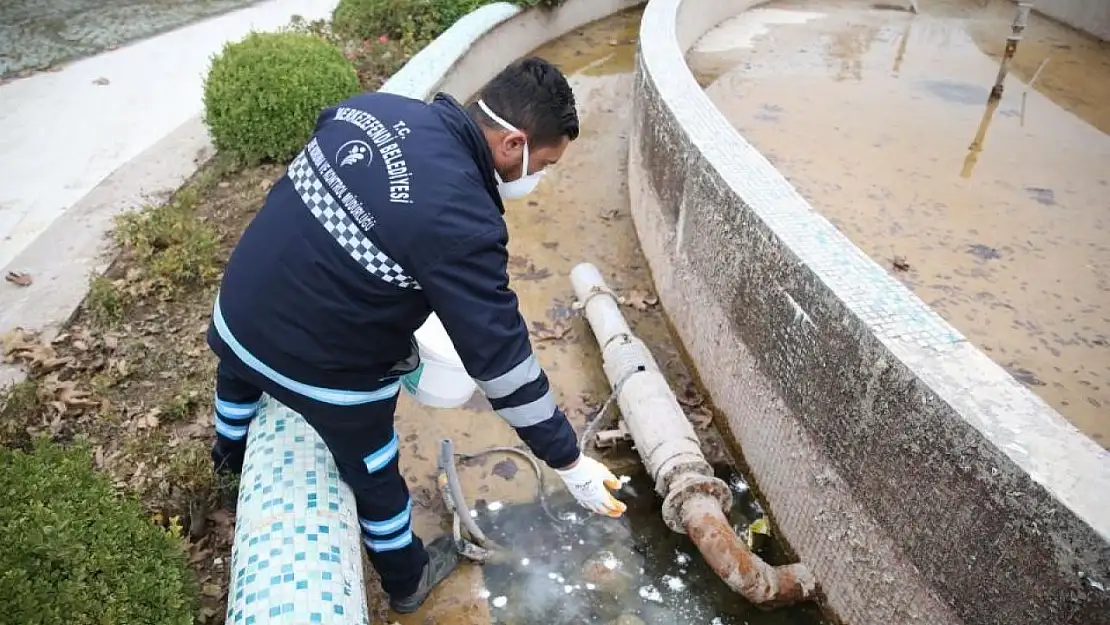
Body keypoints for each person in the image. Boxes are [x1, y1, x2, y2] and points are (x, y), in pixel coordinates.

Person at [205, 56, 628, 614]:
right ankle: (407, 580)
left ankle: (225, 460)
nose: (537, 177)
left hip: (235, 316)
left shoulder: (371, 110)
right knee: (376, 468)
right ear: (512, 144)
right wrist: (569, 461)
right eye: (543, 163)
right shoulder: (463, 219)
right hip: (320, 368)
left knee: (237, 377)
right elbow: (501, 361)